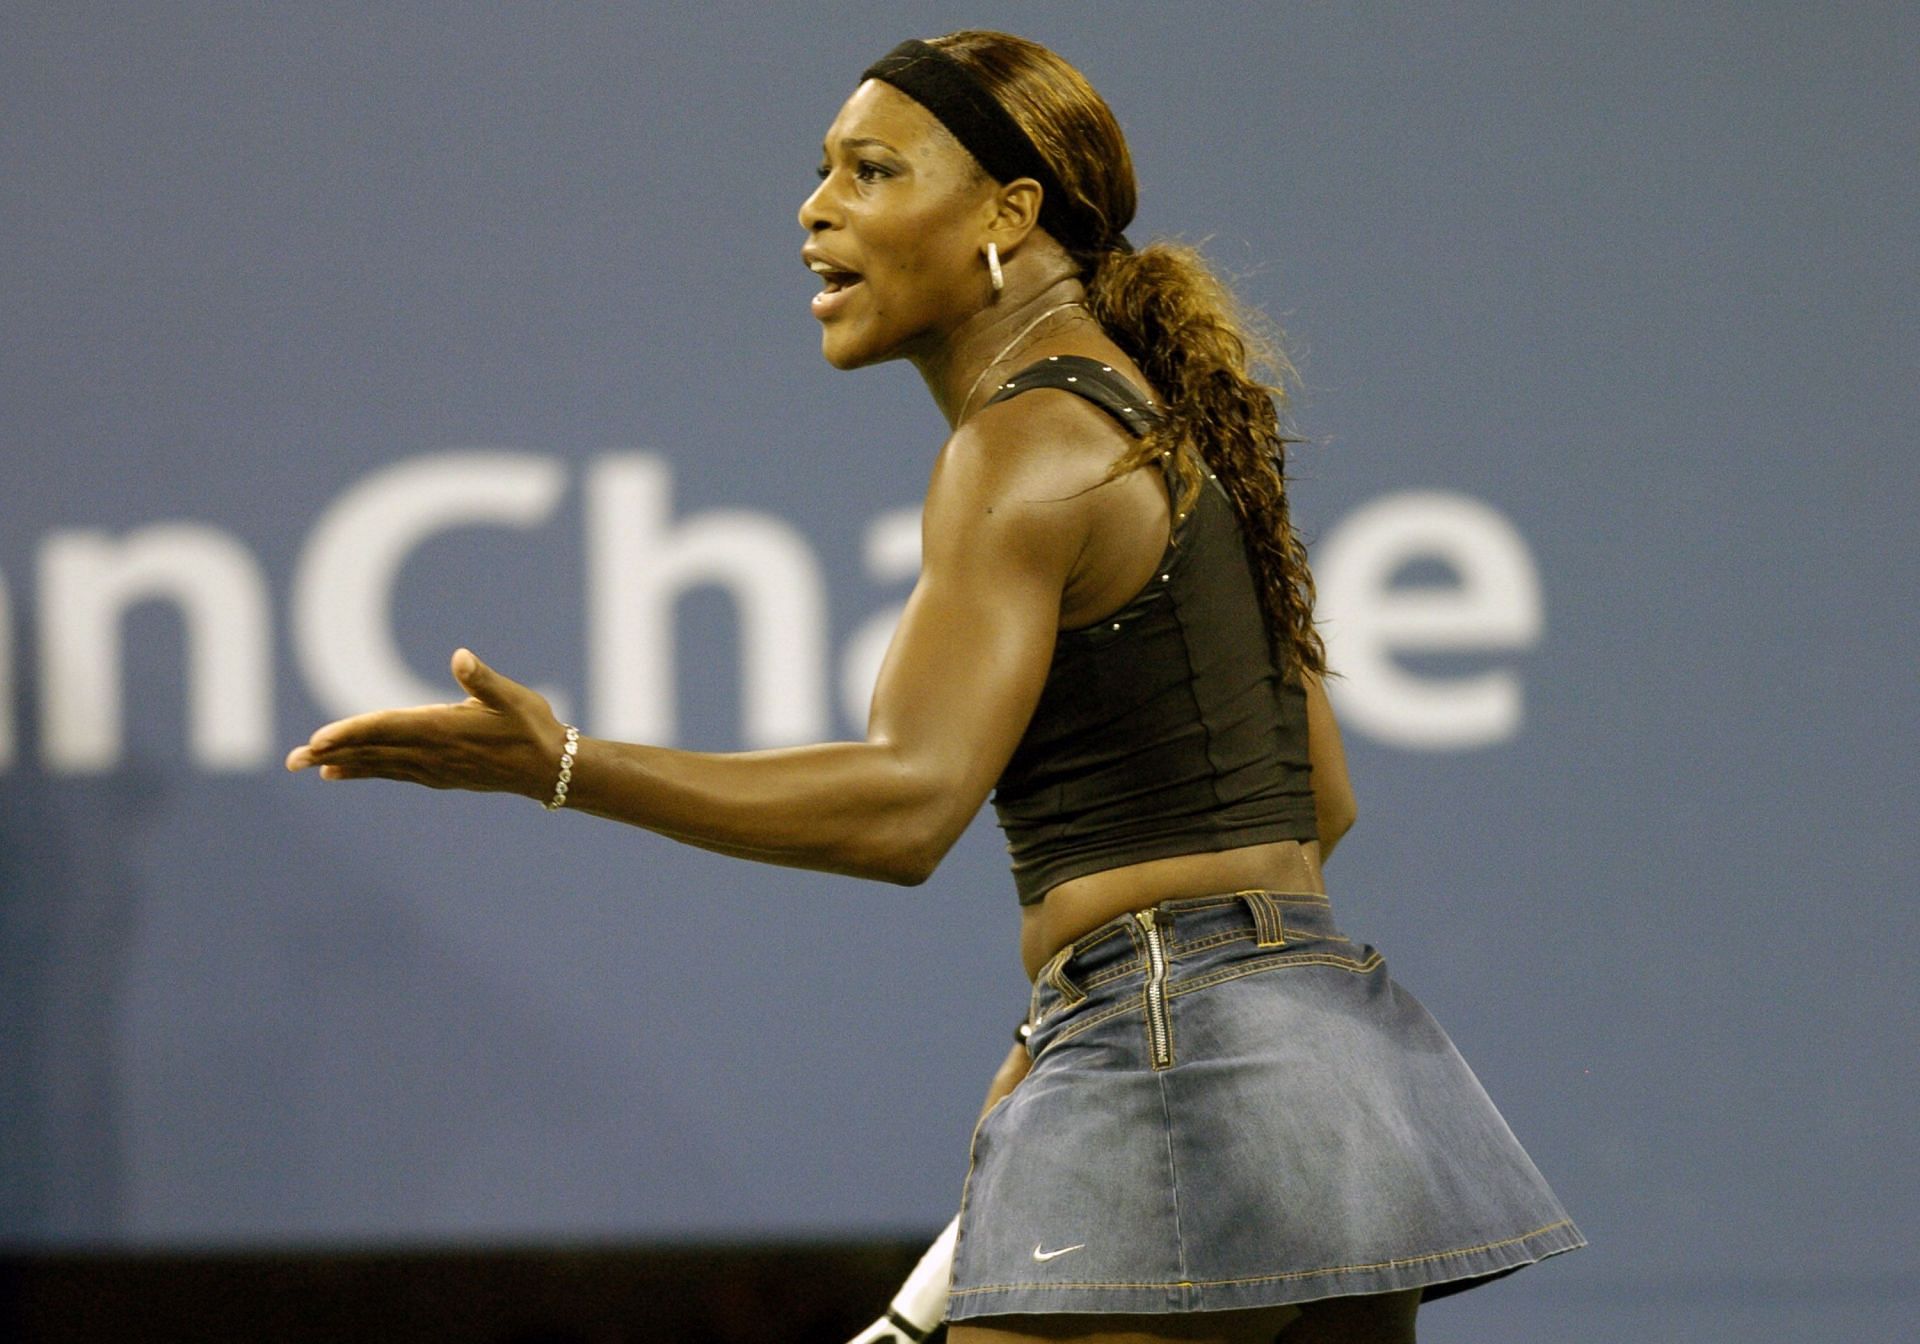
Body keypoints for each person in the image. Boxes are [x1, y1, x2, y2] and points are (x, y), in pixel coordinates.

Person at [288, 31, 1582, 1344]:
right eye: (822, 172)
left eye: (873, 170)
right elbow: (1326, 804)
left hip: (1187, 1068)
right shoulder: (1173, 422)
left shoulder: (1021, 442)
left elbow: (906, 806)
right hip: (1339, 1080)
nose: (816, 207)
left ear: (1007, 214)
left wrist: (562, 766)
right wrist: (1082, 1019)